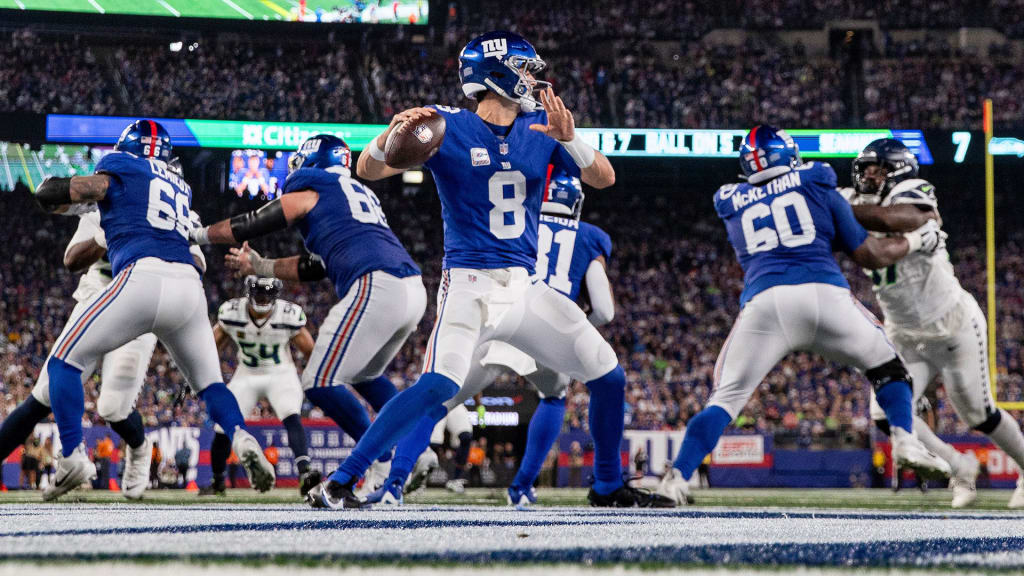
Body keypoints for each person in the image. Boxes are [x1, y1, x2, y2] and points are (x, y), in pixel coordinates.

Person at [305, 30, 655, 510]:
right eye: (526, 69)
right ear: (497, 72)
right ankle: (342, 480)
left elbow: (605, 178)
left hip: (527, 287)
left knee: (608, 376)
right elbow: (368, 169)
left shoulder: (543, 126)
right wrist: (388, 135)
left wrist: (569, 139)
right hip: (470, 284)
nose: (534, 80)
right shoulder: (445, 125)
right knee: (439, 385)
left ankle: (609, 485)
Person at [656, 125, 951, 506]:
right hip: (824, 294)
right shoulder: (816, 180)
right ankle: (905, 440)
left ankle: (676, 479)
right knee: (889, 368)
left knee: (724, 400)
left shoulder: (730, 198)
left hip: (765, 303)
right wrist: (915, 240)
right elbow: (868, 255)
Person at [30, 119, 275, 501]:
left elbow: (77, 189)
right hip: (189, 288)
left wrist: (56, 189)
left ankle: (73, 454)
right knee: (210, 385)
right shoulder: (180, 185)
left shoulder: (121, 165)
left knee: (64, 362)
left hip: (140, 275)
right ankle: (242, 438)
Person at [191, 133, 425, 496]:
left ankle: (381, 459)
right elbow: (316, 266)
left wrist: (199, 235)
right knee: (363, 375)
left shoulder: (314, 186)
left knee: (318, 381)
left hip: (376, 284)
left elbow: (252, 223)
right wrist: (261, 266)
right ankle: (415, 450)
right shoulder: (356, 194)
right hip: (410, 287)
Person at [364, 171, 616, 508]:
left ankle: (395, 483)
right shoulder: (590, 237)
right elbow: (604, 309)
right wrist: (577, 329)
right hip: (548, 324)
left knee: (437, 405)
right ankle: (522, 487)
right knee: (553, 397)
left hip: (502, 317)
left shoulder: (519, 223)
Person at [847, 138, 1024, 509]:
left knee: (978, 412)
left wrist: (838, 209)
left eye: (875, 168)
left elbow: (895, 219)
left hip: (952, 326)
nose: (866, 176)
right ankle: (959, 466)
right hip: (904, 334)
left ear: (897, 170)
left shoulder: (912, 195)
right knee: (884, 413)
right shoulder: (855, 203)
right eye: (863, 169)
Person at [0, 205, 183, 500]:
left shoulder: (176, 210)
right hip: (96, 294)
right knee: (44, 394)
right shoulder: (103, 207)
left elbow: (196, 264)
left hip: (137, 307)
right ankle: (72, 458)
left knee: (112, 408)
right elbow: (73, 259)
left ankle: (139, 448)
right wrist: (103, 234)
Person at [200, 276, 319, 497]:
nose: (263, 299)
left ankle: (305, 474)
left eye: (267, 294)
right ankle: (218, 482)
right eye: (259, 294)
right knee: (221, 426)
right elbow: (209, 347)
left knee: (291, 414)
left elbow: (311, 351)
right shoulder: (232, 312)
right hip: (247, 374)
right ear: (249, 293)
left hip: (281, 373)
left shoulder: (288, 314)